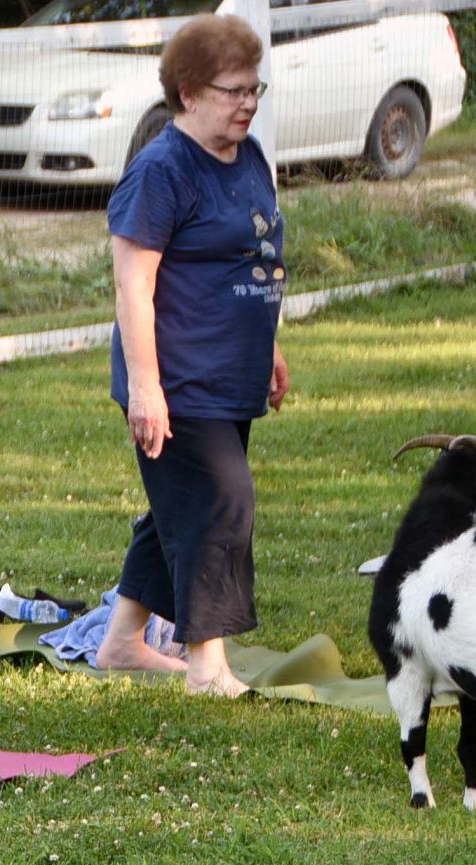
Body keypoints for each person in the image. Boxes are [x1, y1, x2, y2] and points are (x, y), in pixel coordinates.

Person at [92, 15, 290, 696]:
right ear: (187, 93)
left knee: (175, 511)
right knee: (219, 500)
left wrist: (270, 348)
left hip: (231, 372)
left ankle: (120, 644)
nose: (247, 102)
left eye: (252, 88)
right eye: (232, 91)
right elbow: (131, 285)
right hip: (176, 381)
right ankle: (206, 665)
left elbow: (255, 253)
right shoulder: (160, 171)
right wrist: (145, 388)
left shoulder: (251, 157)